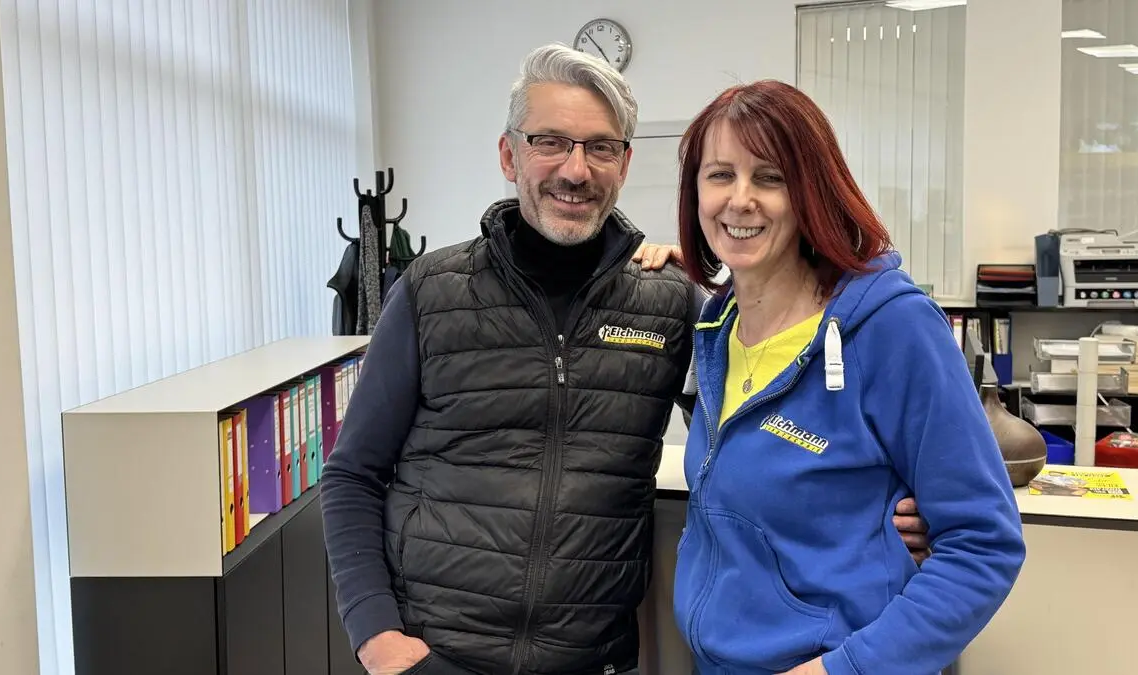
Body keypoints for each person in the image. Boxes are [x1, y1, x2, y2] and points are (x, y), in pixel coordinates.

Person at [320, 44, 929, 675]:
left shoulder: (673, 304)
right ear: (508, 155)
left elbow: (758, 442)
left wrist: (897, 514)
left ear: (625, 164)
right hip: (435, 654)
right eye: (550, 142)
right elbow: (353, 474)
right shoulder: (430, 291)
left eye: (601, 147)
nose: (575, 169)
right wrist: (377, 637)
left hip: (593, 659)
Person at [669, 79, 1026, 675]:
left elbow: (983, 545)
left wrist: (844, 670)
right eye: (720, 175)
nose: (740, 199)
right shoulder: (716, 329)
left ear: (811, 191)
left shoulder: (891, 327)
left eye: (770, 177)